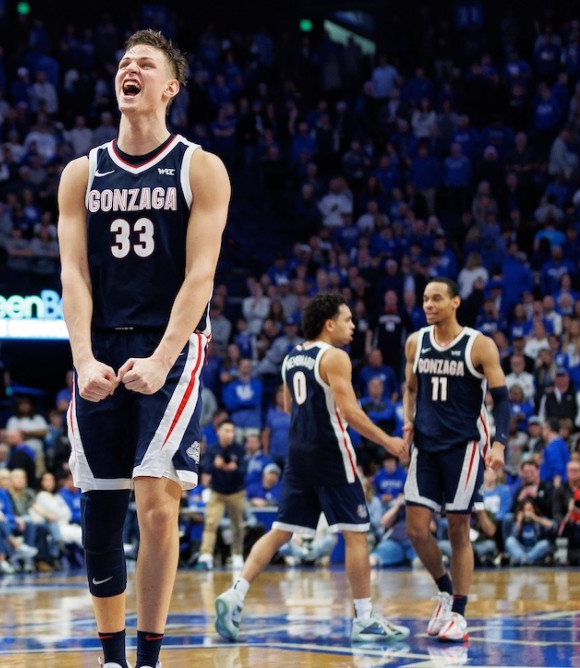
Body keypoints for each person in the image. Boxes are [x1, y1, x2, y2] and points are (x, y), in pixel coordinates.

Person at [58, 28, 230, 668]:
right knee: (99, 511)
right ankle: (111, 657)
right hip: (98, 347)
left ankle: (151, 656)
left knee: (156, 502)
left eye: (145, 64)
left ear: (170, 87)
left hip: (170, 345)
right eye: (123, 63)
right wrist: (81, 357)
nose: (129, 70)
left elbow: (200, 275)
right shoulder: (82, 172)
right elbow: (73, 272)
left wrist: (161, 359)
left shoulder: (199, 166)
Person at [214, 293, 410, 644]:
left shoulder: (291, 358)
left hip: (298, 454)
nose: (353, 325)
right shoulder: (335, 357)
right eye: (348, 320)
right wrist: (389, 442)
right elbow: (350, 413)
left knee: (280, 530)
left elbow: (289, 407)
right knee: (355, 533)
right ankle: (364, 619)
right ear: (329, 323)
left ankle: (235, 595)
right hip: (332, 453)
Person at [402, 277, 509, 643]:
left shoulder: (478, 344)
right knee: (416, 529)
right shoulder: (416, 342)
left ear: (455, 302)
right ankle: (445, 590)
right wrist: (406, 425)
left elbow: (503, 399)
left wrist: (500, 443)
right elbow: (410, 389)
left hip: (464, 446)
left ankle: (460, 613)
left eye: (436, 299)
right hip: (426, 446)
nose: (428, 305)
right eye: (425, 299)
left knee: (458, 529)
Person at [195, 419, 247, 571]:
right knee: (211, 523)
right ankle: (206, 556)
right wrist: (215, 466)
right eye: (226, 431)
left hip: (236, 492)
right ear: (218, 432)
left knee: (237, 525)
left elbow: (244, 471)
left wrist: (234, 468)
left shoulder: (239, 449)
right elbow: (205, 468)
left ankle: (237, 555)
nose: (229, 434)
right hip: (217, 491)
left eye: (231, 431)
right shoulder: (212, 449)